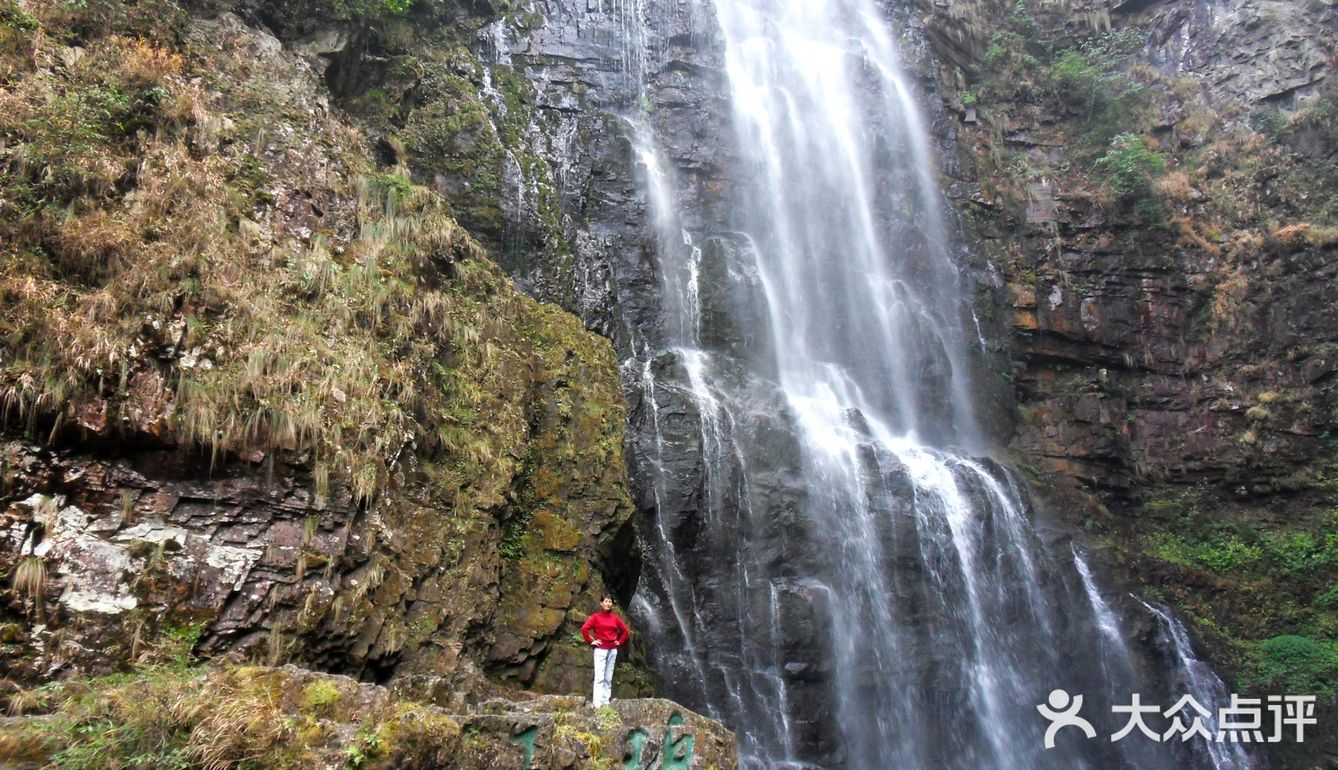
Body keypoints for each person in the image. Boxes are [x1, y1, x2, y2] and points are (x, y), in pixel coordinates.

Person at [581, 594, 630, 707]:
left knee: (608, 677)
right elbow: (584, 628)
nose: (608, 604)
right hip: (600, 650)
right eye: (606, 601)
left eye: (610, 602)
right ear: (601, 603)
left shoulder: (615, 618)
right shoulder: (596, 617)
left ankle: (605, 702)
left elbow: (625, 631)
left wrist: (619, 642)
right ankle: (597, 704)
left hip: (612, 650)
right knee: (599, 677)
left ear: (612, 604)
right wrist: (591, 641)